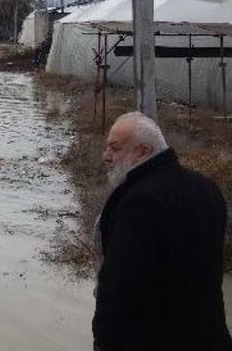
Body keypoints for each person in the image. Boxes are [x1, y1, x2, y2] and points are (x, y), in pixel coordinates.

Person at [93, 112, 231, 351]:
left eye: (115, 148)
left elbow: (117, 290)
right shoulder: (207, 188)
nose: (106, 157)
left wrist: (103, 343)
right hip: (211, 337)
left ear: (143, 151)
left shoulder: (138, 202)